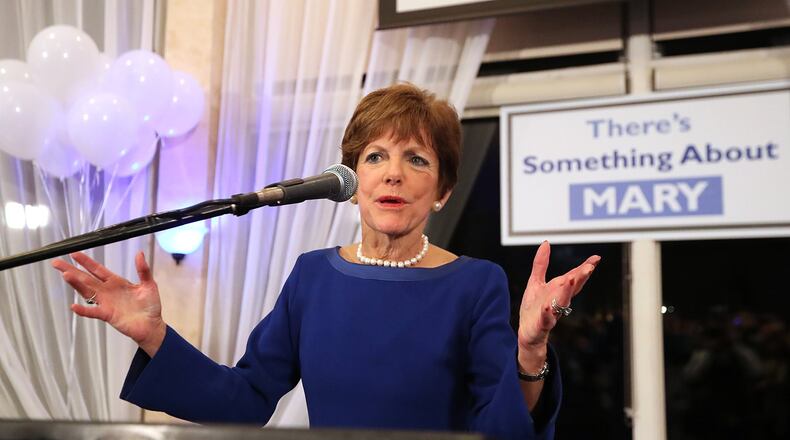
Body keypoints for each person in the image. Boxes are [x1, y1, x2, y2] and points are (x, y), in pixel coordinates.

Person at [52, 83, 600, 439]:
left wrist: (529, 349)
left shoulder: (475, 284)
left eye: (417, 159)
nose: (393, 173)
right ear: (353, 181)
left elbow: (502, 430)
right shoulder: (313, 276)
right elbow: (245, 400)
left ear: (442, 191)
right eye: (375, 156)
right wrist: (153, 334)